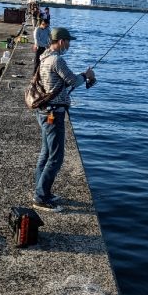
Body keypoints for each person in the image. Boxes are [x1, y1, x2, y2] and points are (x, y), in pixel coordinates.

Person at [33, 27, 96, 211]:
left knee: (46, 153)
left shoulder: (44, 56)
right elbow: (72, 81)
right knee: (56, 157)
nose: (69, 45)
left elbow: (59, 82)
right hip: (53, 114)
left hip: (44, 111)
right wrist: (86, 75)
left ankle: (42, 190)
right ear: (61, 41)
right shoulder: (57, 60)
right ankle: (40, 197)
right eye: (68, 41)